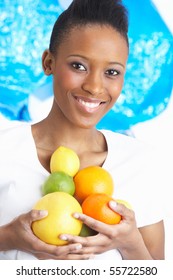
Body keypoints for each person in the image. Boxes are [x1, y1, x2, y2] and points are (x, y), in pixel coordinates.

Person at [0, 0, 165, 260]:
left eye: (111, 71)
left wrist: (131, 243)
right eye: (79, 66)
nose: (94, 87)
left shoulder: (142, 162)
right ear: (49, 63)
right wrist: (7, 237)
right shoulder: (4, 149)